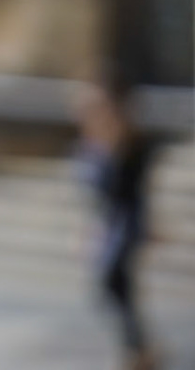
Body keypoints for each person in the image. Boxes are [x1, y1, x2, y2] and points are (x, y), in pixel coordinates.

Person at [78, 77, 158, 370]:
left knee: (116, 283)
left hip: (124, 225)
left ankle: (140, 351)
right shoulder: (95, 139)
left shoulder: (130, 142)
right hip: (110, 224)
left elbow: (126, 190)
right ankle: (138, 349)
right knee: (116, 287)